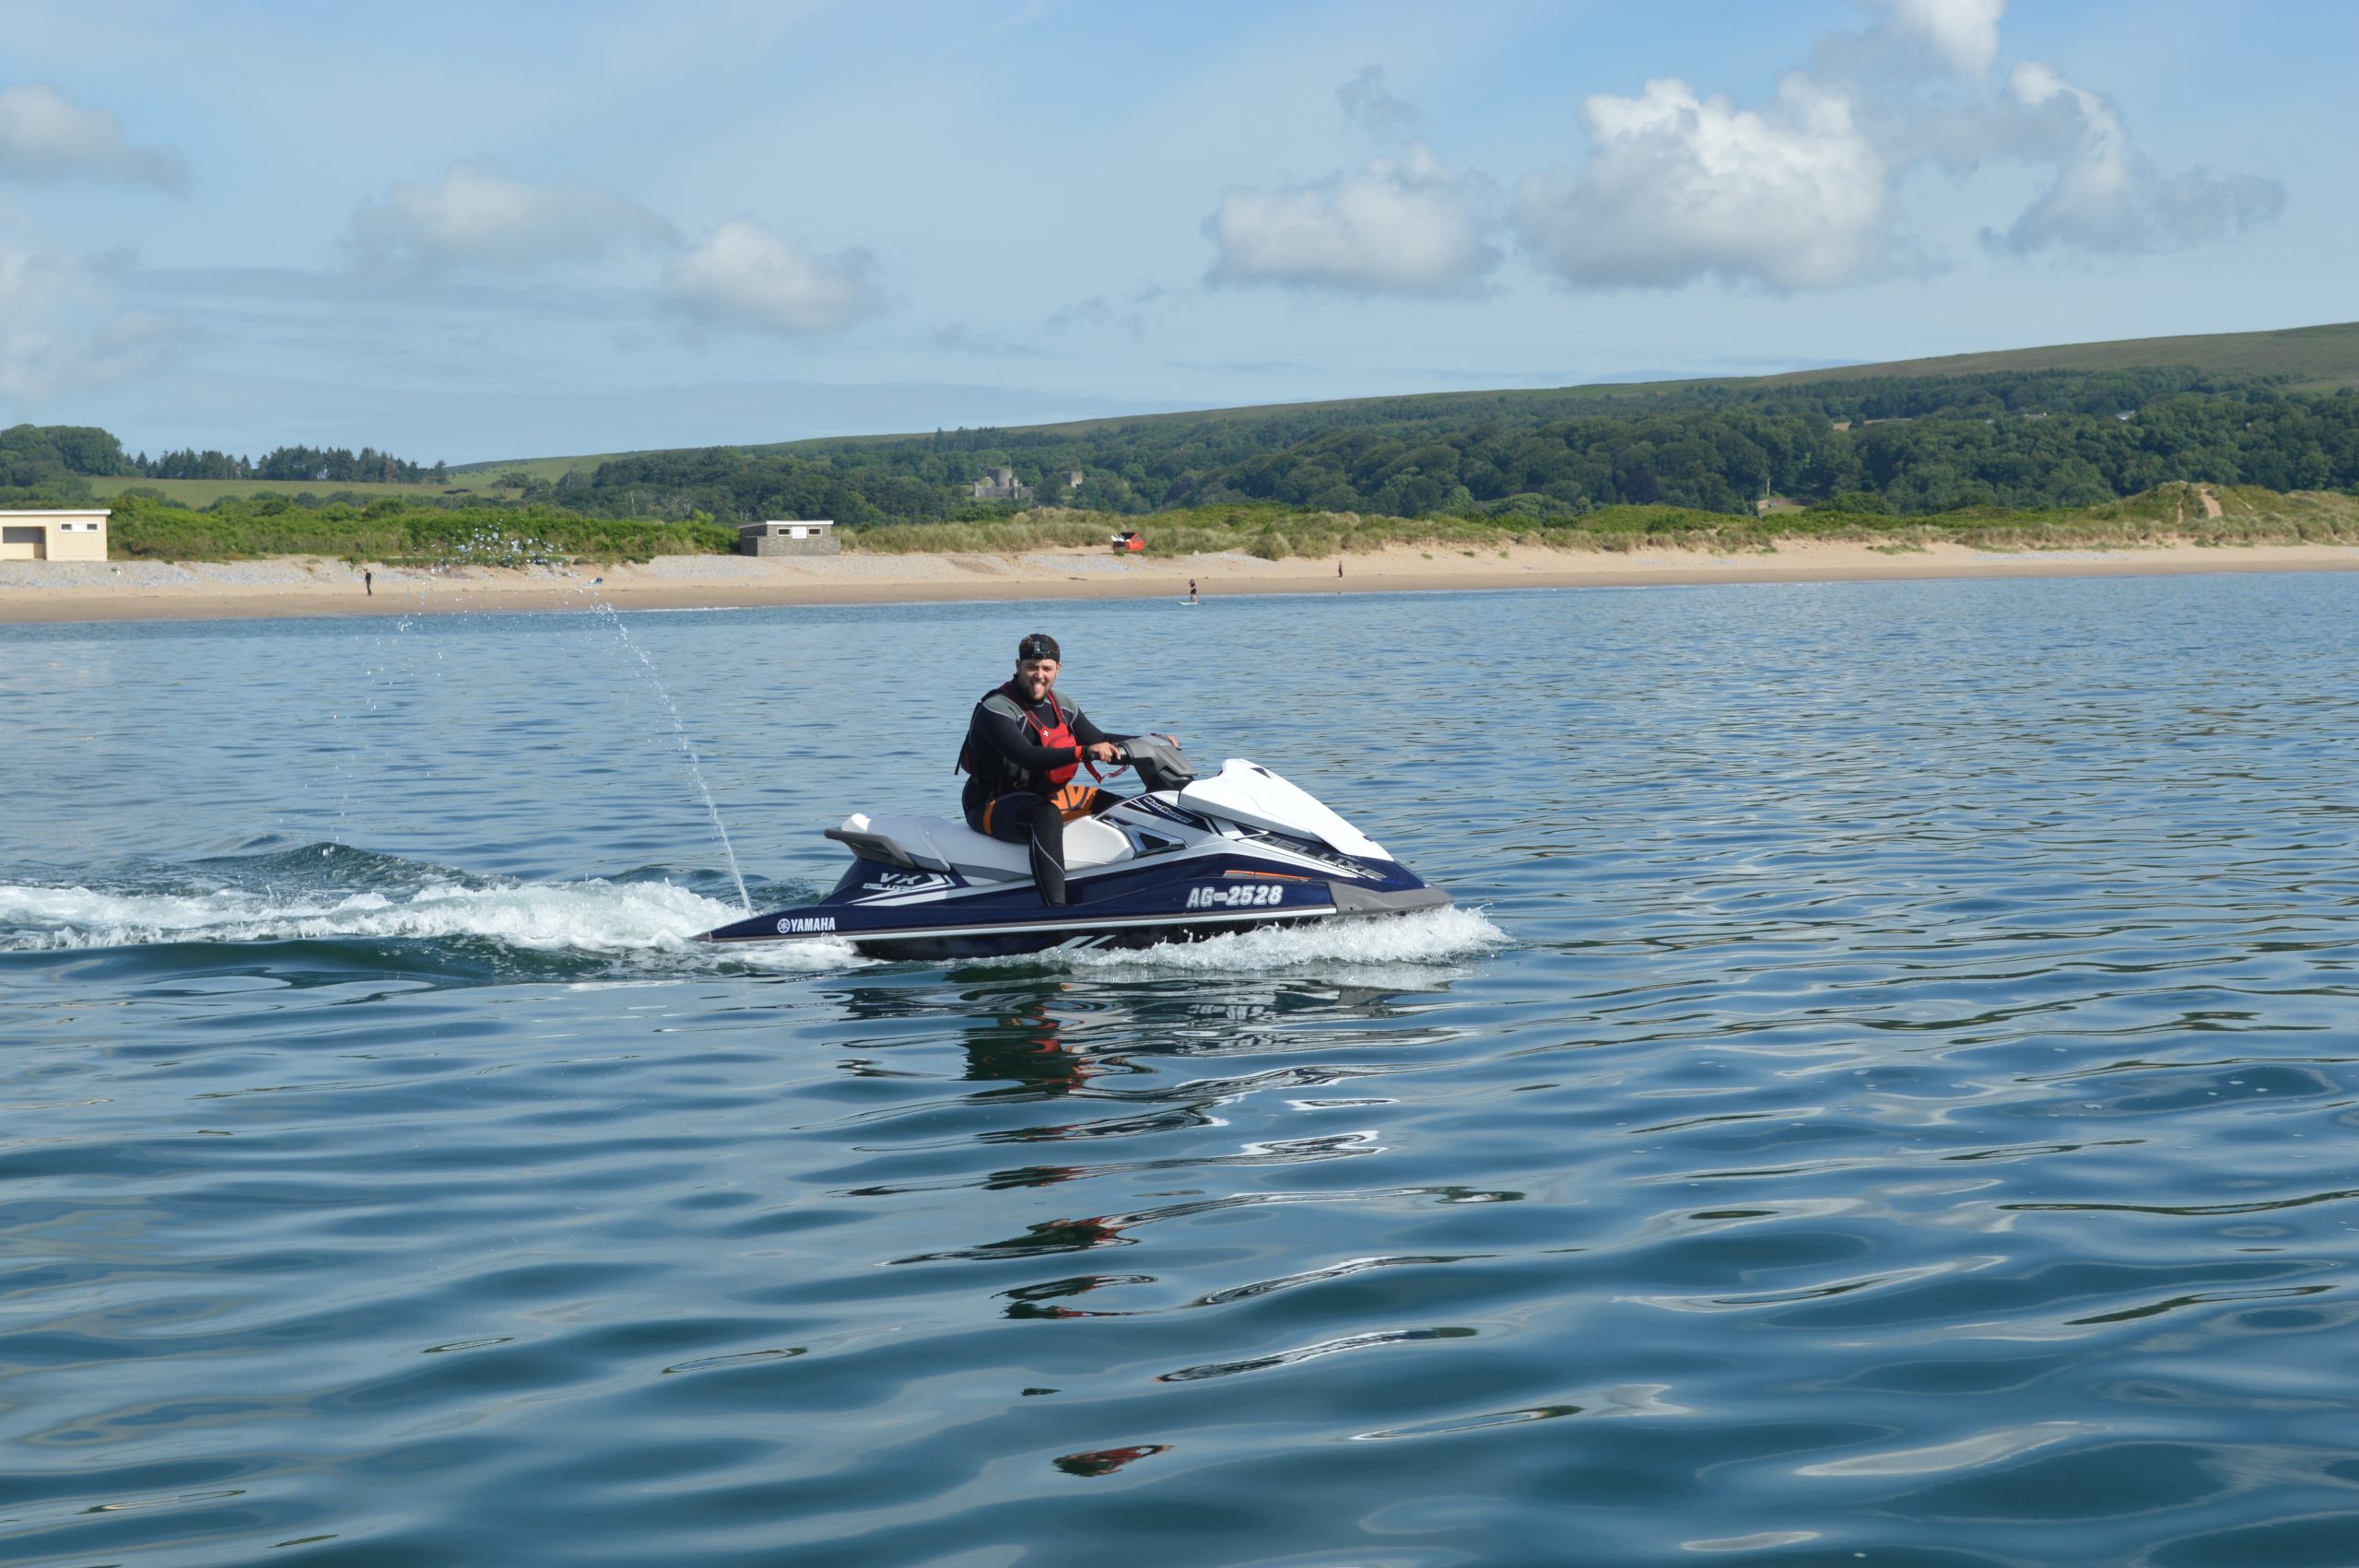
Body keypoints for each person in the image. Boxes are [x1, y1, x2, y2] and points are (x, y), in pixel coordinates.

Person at [958, 632, 1135, 907]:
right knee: (1047, 817)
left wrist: (1150, 742)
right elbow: (1026, 756)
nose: (1038, 675)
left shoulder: (1062, 705)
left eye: (1046, 668)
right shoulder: (996, 710)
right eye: (1031, 667)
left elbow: (1100, 737)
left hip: (1043, 796)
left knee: (1123, 808)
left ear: (1058, 670)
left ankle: (1139, 882)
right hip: (991, 804)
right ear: (1018, 666)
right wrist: (1083, 752)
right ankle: (1056, 910)